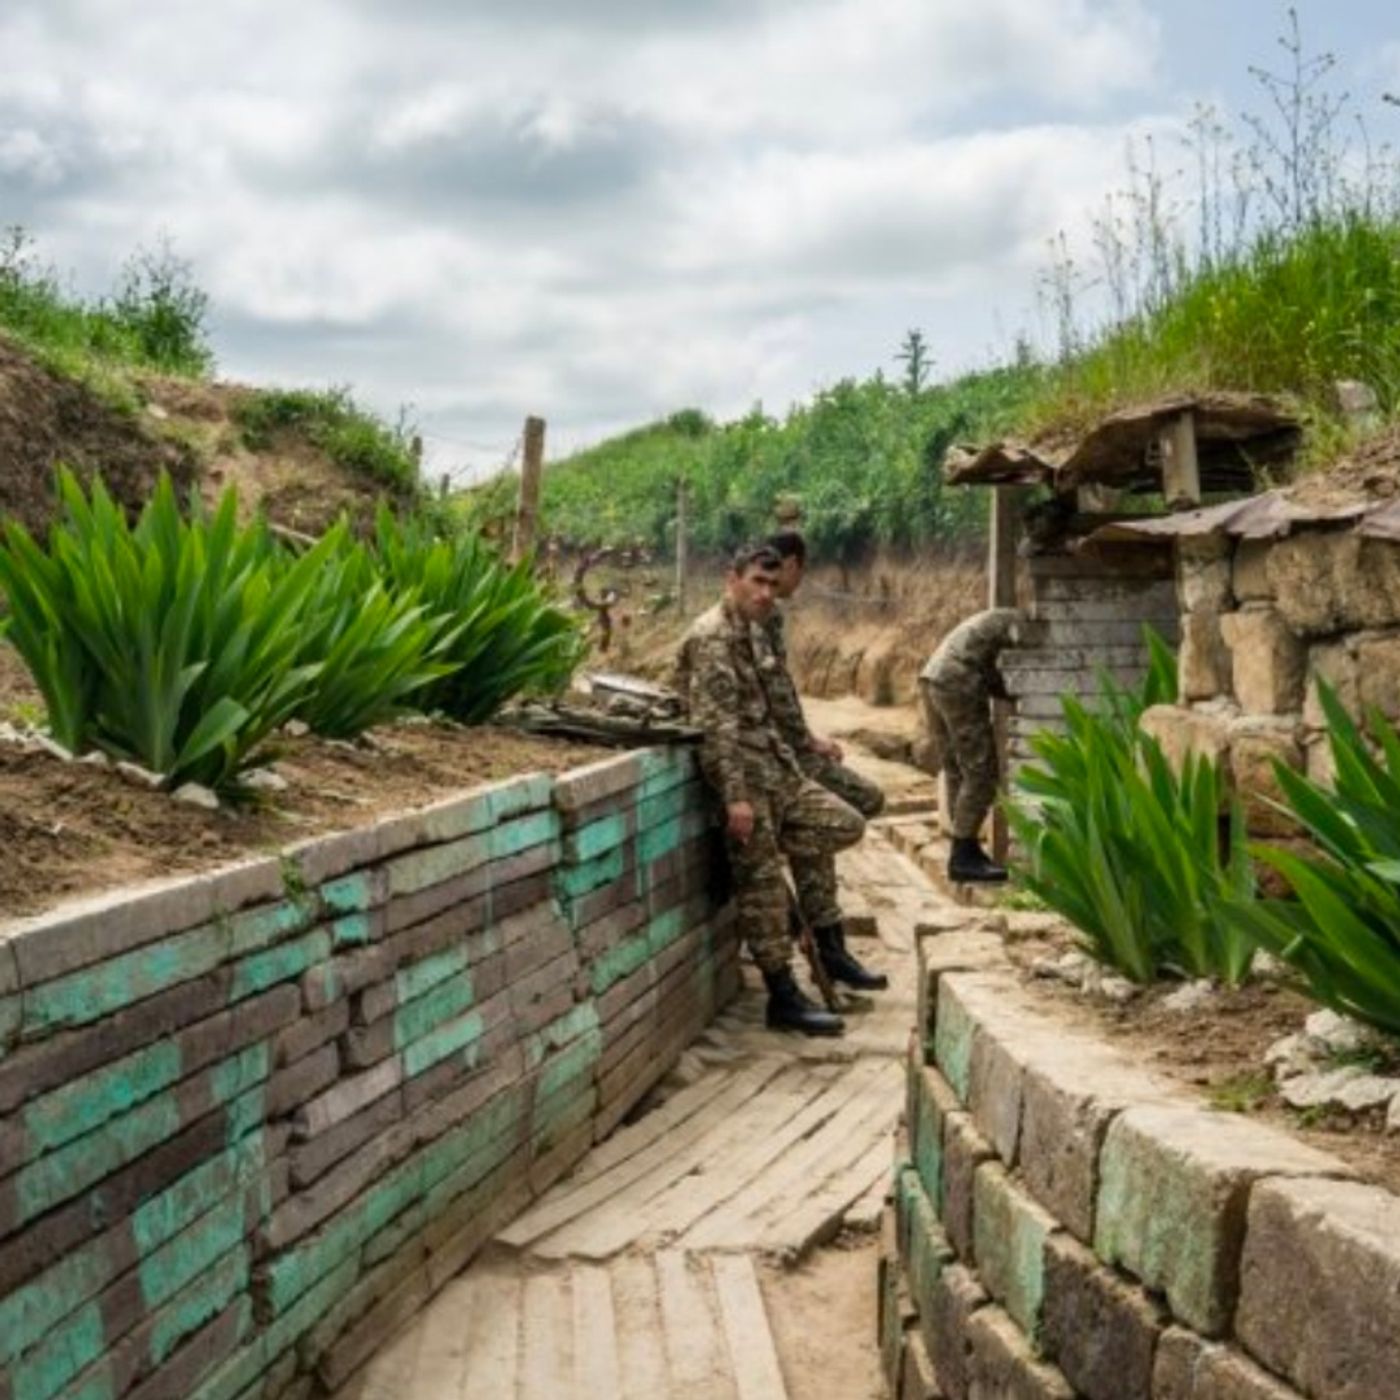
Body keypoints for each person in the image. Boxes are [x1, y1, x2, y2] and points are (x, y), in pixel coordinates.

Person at [674, 544, 866, 1036]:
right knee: (760, 887)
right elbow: (718, 728)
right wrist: (735, 796)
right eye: (756, 582)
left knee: (846, 822)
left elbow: (774, 702)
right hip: (744, 780)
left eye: (772, 586)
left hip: (775, 770)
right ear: (731, 579)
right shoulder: (713, 638)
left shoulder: (755, 631)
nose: (765, 594)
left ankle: (800, 910)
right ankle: (783, 995)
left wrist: (803, 745)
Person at [758, 530, 888, 992]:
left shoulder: (767, 614)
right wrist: (803, 743)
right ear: (791, 564)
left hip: (786, 751)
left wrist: (808, 738)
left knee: (839, 818)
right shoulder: (758, 616)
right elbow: (770, 696)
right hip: (773, 759)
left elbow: (781, 694)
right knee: (847, 811)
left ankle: (831, 945)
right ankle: (831, 947)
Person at [919, 607, 1027, 884]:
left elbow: (993, 671)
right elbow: (1011, 673)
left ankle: (964, 849)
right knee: (982, 772)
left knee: (956, 769)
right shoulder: (1026, 628)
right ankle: (964, 854)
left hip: (933, 677)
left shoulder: (1001, 619)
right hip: (957, 678)